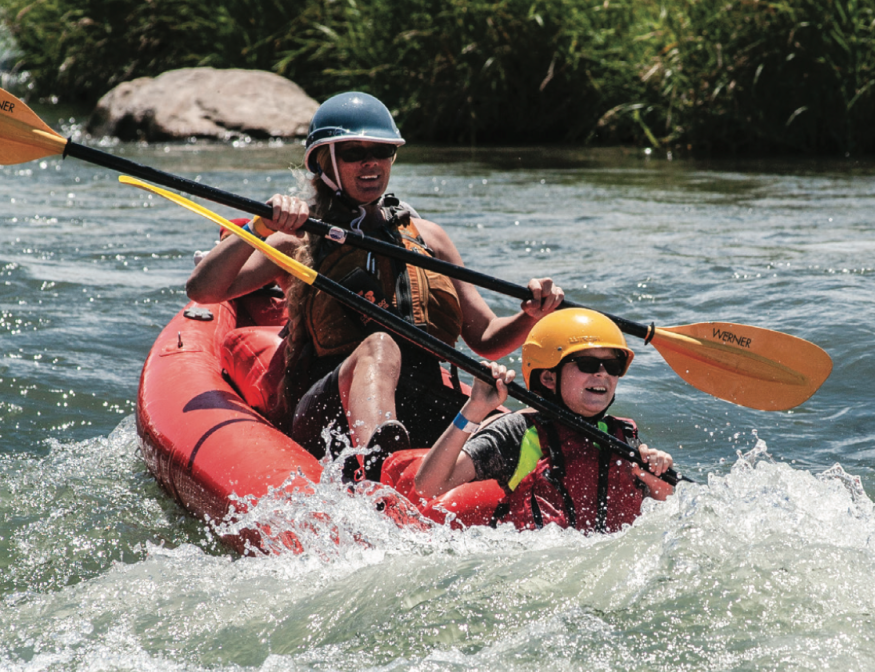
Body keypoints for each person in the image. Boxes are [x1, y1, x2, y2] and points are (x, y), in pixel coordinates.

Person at [185, 92, 563, 480]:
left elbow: (485, 338)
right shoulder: (297, 239)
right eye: (353, 152)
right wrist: (262, 224)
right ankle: (376, 469)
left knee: (513, 428)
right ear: (323, 162)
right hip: (329, 413)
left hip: (423, 400)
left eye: (381, 151)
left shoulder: (428, 239)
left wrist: (530, 315)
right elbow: (204, 290)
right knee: (381, 346)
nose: (370, 162)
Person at [414, 308, 675, 533]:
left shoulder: (623, 436)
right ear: (548, 378)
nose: (602, 374)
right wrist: (476, 407)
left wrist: (655, 477)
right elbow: (428, 486)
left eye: (613, 365)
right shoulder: (516, 432)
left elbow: (663, 512)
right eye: (587, 364)